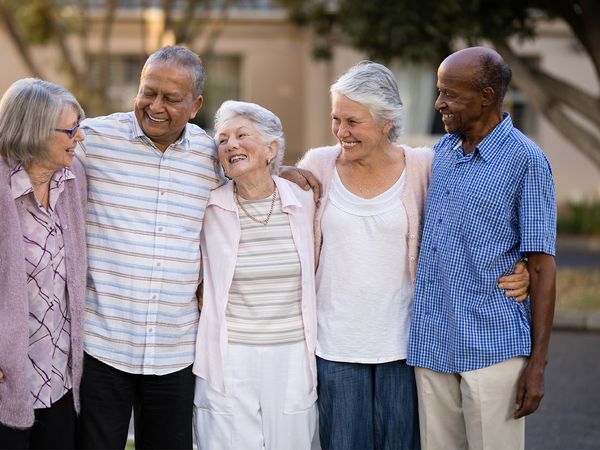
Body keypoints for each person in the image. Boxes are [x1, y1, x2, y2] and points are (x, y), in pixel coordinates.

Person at [297, 61, 529, 450]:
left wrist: (519, 262)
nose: (341, 132)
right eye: (336, 119)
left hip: (405, 346)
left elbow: (475, 215)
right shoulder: (317, 166)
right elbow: (282, 222)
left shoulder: (424, 166)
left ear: (386, 121)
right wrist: (283, 173)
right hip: (335, 345)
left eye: (353, 121)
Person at [407, 46, 556, 450]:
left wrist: (537, 366)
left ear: (486, 96)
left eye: (449, 94)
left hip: (494, 347)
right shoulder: (438, 155)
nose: (439, 104)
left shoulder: (527, 160)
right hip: (432, 345)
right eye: (438, 92)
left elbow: (541, 266)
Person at [75, 46, 223, 449]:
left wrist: (294, 173)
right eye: (147, 92)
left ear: (195, 105)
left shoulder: (215, 159)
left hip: (176, 351)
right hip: (102, 346)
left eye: (171, 99)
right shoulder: (92, 139)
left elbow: (260, 183)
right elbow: (33, 152)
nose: (154, 106)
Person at [192, 100, 318, 450]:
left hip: (291, 353)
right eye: (222, 139)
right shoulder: (208, 206)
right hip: (230, 354)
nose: (230, 144)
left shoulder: (305, 202)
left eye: (241, 135)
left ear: (271, 149)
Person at [0, 78, 87, 449]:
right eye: (71, 129)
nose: (79, 138)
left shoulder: (74, 179)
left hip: (60, 378)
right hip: (8, 378)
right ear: (35, 131)